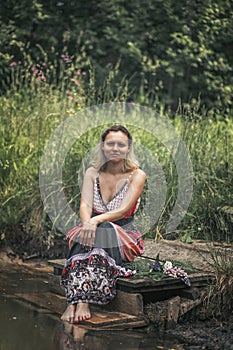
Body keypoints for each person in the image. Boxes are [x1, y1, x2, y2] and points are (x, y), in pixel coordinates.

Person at [60, 125, 146, 324]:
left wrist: (95, 221)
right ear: (103, 147)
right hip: (94, 228)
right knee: (90, 232)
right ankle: (74, 301)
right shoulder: (92, 172)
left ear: (128, 148)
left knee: (105, 229)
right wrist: (87, 224)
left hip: (123, 235)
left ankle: (81, 299)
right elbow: (85, 204)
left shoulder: (137, 175)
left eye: (121, 144)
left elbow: (123, 210)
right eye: (110, 143)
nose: (115, 148)